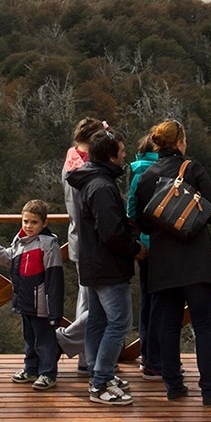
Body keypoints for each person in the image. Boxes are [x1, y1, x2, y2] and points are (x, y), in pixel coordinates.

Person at [134, 120, 211, 407]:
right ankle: (209, 391)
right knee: (202, 327)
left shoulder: (145, 176)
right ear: (179, 143)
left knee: (169, 325)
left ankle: (174, 385)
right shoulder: (193, 168)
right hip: (197, 258)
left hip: (163, 261)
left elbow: (142, 223)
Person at [66, 127, 145, 405]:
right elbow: (111, 232)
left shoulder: (90, 181)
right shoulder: (101, 186)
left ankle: (100, 374)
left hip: (92, 263)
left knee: (98, 321)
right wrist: (135, 248)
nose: (124, 154)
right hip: (107, 266)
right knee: (120, 322)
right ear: (111, 156)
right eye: (122, 151)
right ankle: (100, 383)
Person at [0, 199, 65, 391]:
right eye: (25, 221)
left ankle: (48, 373)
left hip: (42, 303)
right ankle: (31, 369)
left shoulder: (48, 245)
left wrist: (55, 310)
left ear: (44, 224)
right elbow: (8, 259)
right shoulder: (19, 241)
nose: (28, 226)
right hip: (24, 300)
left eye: (34, 222)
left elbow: (55, 279)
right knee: (29, 338)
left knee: (45, 339)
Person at [57, 117, 106, 374]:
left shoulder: (70, 160)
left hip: (77, 238)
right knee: (103, 303)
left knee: (86, 299)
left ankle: (88, 358)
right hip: (91, 241)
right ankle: (61, 341)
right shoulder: (84, 170)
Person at [126, 129, 162, 380]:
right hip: (165, 247)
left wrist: (138, 240)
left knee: (148, 302)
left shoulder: (138, 172)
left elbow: (131, 210)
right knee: (164, 305)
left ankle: (148, 358)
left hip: (145, 247)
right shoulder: (170, 171)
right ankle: (159, 359)